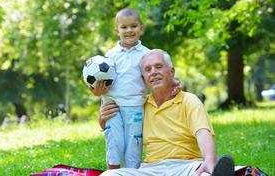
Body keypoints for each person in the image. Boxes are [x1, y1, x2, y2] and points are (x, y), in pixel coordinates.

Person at [99, 49, 235, 176]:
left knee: (204, 174)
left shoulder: (189, 100)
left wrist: (209, 161)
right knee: (108, 175)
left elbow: (203, 133)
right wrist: (104, 122)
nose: (153, 72)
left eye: (158, 67)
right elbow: (122, 133)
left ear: (172, 72)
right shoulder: (140, 106)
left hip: (187, 166)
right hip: (150, 169)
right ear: (144, 79)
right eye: (147, 69)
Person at [89, 8, 150, 169]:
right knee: (114, 141)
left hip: (136, 107)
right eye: (124, 27)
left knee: (133, 143)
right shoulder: (109, 56)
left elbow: (153, 80)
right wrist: (95, 91)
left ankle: (132, 172)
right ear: (117, 30)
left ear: (141, 28)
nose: (129, 30)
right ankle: (113, 172)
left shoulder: (147, 55)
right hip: (112, 106)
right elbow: (97, 82)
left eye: (133, 26)